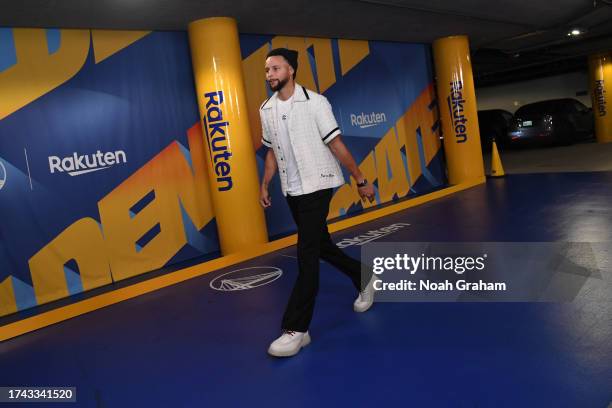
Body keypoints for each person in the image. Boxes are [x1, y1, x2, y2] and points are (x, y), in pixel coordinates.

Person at [258, 48, 378, 358]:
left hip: (320, 183)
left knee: (307, 253)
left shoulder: (315, 103)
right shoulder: (266, 109)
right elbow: (270, 151)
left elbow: (336, 144)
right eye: (267, 70)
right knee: (320, 244)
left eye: (275, 68)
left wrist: (360, 180)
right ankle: (365, 276)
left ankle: (296, 329)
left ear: (291, 71)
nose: (269, 74)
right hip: (293, 189)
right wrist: (265, 184)